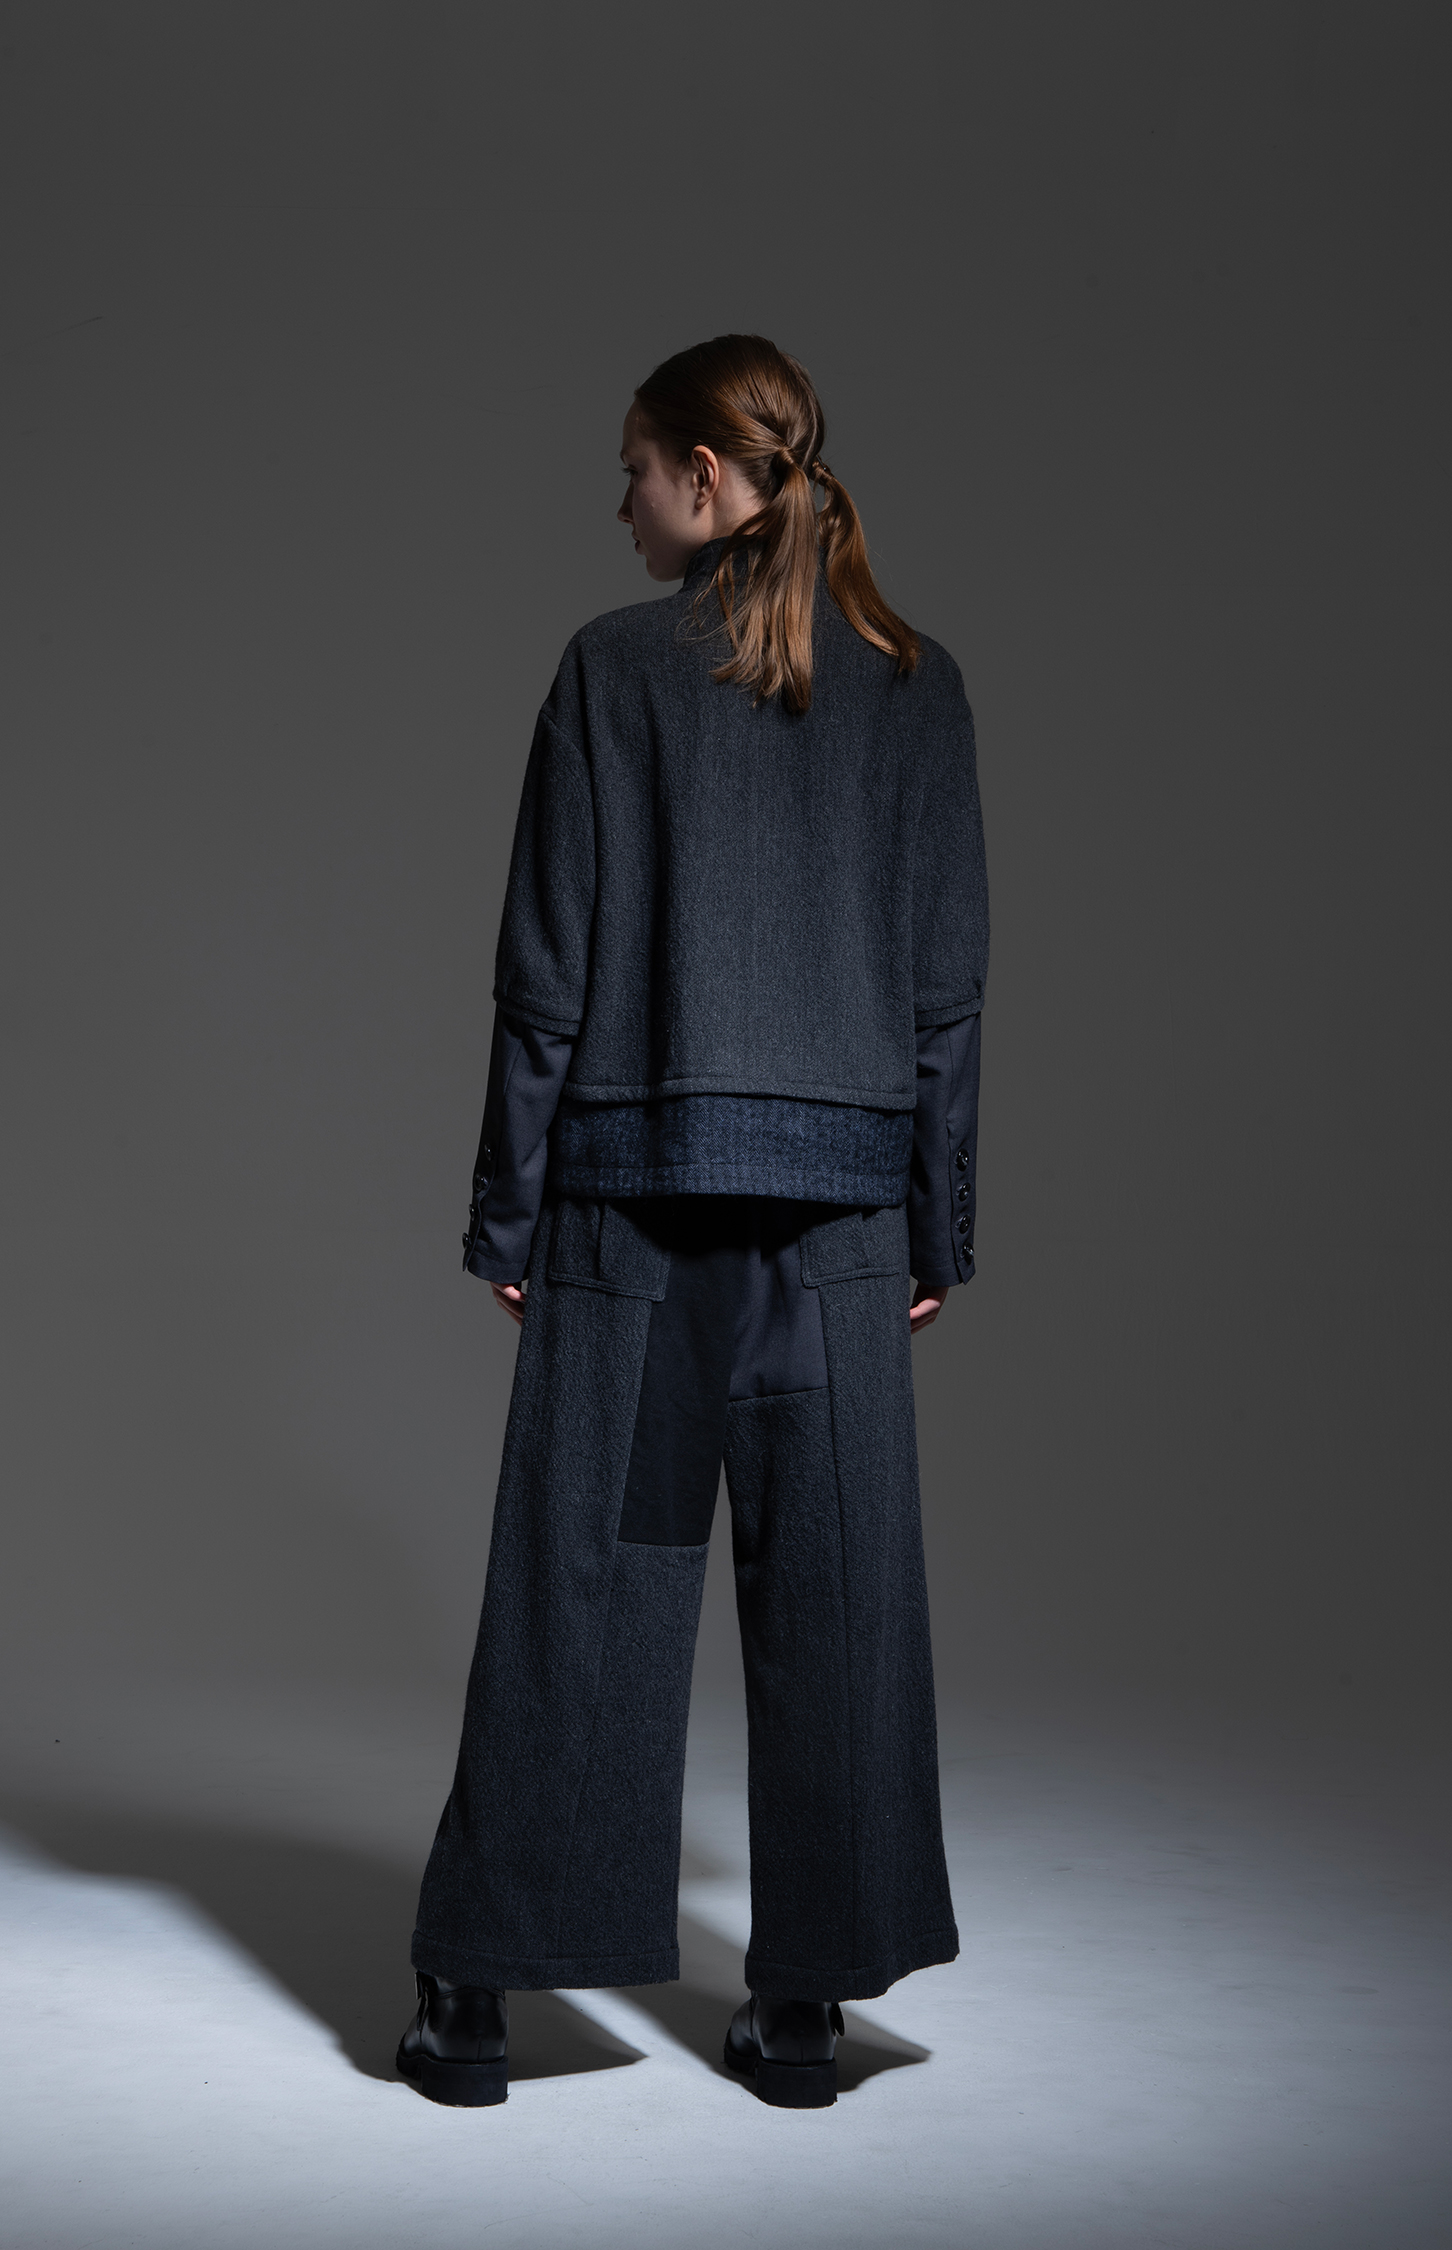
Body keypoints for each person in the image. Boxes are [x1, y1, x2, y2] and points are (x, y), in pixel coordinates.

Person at [397, 334, 988, 2111]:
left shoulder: (608, 670)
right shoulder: (918, 685)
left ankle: (476, 2004)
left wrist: (508, 1212)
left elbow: (543, 981)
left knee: (585, 1586)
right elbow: (946, 996)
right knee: (837, 1599)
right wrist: (936, 1223)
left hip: (634, 1226)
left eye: (639, 470)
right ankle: (803, 2010)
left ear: (712, 479)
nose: (626, 502)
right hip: (838, 1231)